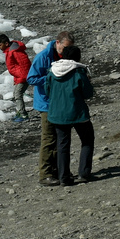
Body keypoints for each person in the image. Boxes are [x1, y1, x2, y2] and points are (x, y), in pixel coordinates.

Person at [26, 31, 75, 186]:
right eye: (65, 48)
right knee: (49, 139)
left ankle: (59, 171)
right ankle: (45, 174)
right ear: (57, 42)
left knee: (60, 139)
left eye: (69, 48)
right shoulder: (43, 57)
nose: (66, 51)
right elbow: (31, 78)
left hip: (60, 103)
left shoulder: (65, 56)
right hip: (46, 104)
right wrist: (50, 78)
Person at [45, 45, 96, 184]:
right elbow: (88, 94)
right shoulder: (79, 72)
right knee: (87, 141)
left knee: (62, 145)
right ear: (77, 57)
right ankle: (84, 173)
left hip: (57, 114)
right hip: (78, 113)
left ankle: (64, 177)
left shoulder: (51, 71)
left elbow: (47, 91)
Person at [0, 33, 31, 121]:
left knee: (18, 95)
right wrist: (16, 78)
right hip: (20, 77)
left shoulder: (15, 51)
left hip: (23, 77)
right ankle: (19, 112)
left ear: (6, 44)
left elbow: (24, 64)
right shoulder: (10, 51)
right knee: (16, 94)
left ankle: (23, 115)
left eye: (0, 45)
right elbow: (17, 67)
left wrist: (23, 77)